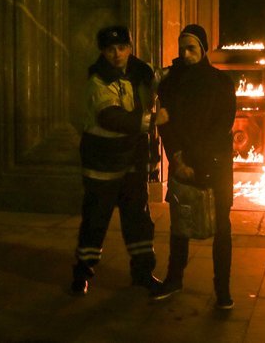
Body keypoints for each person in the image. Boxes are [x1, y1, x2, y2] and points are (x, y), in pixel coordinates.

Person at [71, 25, 167, 295]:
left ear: (130, 48)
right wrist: (152, 120)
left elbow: (162, 81)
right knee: (95, 220)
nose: (117, 54)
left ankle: (143, 272)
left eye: (122, 48)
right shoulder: (98, 81)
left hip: (132, 161)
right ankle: (82, 272)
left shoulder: (141, 73)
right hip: (102, 162)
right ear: (103, 51)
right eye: (111, 49)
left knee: (139, 220)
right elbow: (110, 118)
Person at [152, 24, 237, 309]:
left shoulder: (221, 83)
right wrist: (178, 158)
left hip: (215, 163)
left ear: (203, 49)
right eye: (182, 50)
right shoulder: (170, 83)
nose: (186, 55)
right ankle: (174, 278)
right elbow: (166, 123)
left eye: (192, 49)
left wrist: (198, 161)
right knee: (180, 223)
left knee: (222, 226)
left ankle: (222, 289)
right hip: (183, 162)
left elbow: (222, 124)